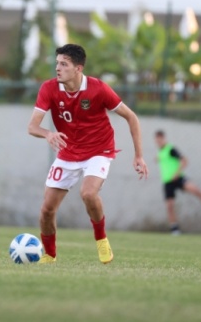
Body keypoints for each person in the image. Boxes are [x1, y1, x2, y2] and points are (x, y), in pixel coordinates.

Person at [28, 44, 149, 264]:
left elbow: (132, 117)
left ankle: (101, 239)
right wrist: (47, 134)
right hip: (67, 153)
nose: (58, 68)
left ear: (78, 68)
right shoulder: (48, 88)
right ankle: (49, 255)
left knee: (88, 194)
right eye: (57, 63)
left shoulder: (99, 88)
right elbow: (32, 127)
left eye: (64, 64)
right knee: (46, 209)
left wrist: (138, 155)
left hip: (98, 150)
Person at [154, 130, 201, 235]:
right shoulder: (160, 152)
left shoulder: (171, 149)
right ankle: (175, 230)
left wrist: (177, 173)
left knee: (195, 190)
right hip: (167, 182)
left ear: (164, 139)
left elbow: (184, 160)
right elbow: (161, 160)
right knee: (169, 206)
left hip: (177, 178)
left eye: (160, 139)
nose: (159, 142)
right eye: (157, 140)